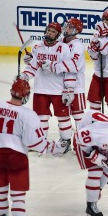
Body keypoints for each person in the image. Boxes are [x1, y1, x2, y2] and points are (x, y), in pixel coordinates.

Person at [0, 78, 63, 216]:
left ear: (11, 91)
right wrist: (54, 148)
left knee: (0, 192)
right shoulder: (28, 114)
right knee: (18, 194)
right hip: (16, 156)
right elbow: (36, 143)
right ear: (26, 96)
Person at [20, 22, 73, 152]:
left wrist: (69, 88)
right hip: (40, 89)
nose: (50, 33)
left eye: (53, 31)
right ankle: (40, 142)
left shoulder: (64, 48)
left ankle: (66, 142)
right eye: (48, 30)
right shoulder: (37, 46)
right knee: (40, 118)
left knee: (63, 118)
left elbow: (69, 69)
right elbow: (32, 66)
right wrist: (25, 76)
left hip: (58, 90)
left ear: (58, 35)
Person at [61, 18, 87, 127]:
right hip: (60, 85)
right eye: (66, 26)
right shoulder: (60, 42)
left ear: (76, 30)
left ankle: (81, 136)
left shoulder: (77, 46)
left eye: (70, 27)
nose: (67, 28)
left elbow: (72, 66)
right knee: (63, 114)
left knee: (78, 115)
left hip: (76, 86)